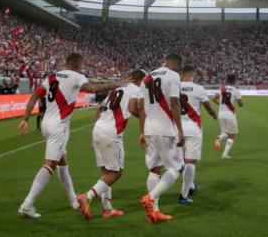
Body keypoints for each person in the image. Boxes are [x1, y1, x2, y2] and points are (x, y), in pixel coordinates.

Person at [17, 52, 126, 219]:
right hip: (58, 126)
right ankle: (28, 204)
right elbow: (93, 88)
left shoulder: (51, 76)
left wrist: (25, 118)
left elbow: (34, 96)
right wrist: (116, 84)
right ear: (77, 64)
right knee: (49, 165)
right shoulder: (76, 76)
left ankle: (73, 200)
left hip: (46, 123)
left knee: (63, 163)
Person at [77, 68, 146, 220]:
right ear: (141, 80)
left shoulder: (115, 89)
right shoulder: (137, 90)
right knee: (116, 173)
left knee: (106, 172)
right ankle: (87, 196)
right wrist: (143, 121)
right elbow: (133, 108)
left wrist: (96, 132)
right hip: (112, 132)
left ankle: (107, 209)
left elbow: (100, 110)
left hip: (99, 127)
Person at [139, 54, 185, 224]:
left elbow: (141, 107)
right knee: (176, 168)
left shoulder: (146, 78)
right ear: (174, 63)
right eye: (179, 66)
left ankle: (154, 211)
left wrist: (142, 131)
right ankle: (150, 197)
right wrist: (180, 130)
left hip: (150, 128)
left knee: (154, 169)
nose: (179, 69)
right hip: (165, 129)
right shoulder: (173, 76)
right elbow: (174, 103)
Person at [177, 65, 217, 204]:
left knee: (180, 162)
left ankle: (192, 186)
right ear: (192, 74)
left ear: (182, 74)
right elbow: (207, 106)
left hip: (176, 128)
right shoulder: (199, 88)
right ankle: (184, 195)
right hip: (193, 128)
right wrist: (213, 114)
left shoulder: (174, 87)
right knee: (190, 162)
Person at [213, 74, 243, 159]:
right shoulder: (236, 90)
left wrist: (221, 105)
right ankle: (225, 154)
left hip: (221, 114)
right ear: (234, 81)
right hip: (229, 114)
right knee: (232, 134)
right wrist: (242, 103)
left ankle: (219, 138)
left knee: (226, 132)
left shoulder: (222, 89)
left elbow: (214, 99)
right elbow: (240, 104)